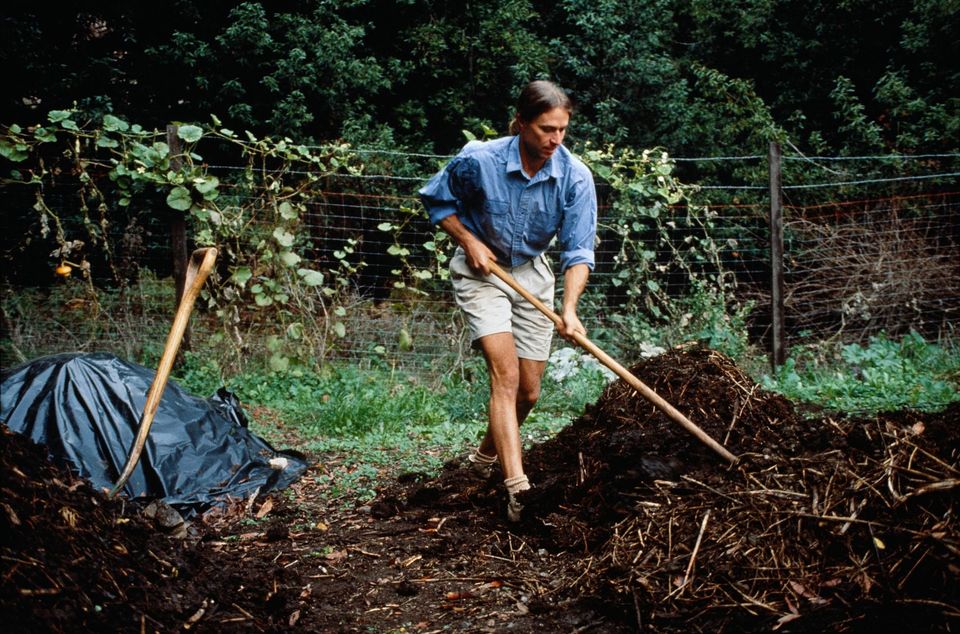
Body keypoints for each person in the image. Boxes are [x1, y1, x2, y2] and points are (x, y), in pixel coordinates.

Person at [419, 80, 598, 522]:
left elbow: (578, 252)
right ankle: (517, 489)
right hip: (482, 270)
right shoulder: (479, 160)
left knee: (529, 392)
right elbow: (437, 201)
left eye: (562, 129)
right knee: (506, 375)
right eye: (545, 129)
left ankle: (484, 458)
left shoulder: (575, 177)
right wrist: (468, 241)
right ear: (520, 123)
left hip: (532, 274)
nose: (555, 139)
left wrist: (569, 311)